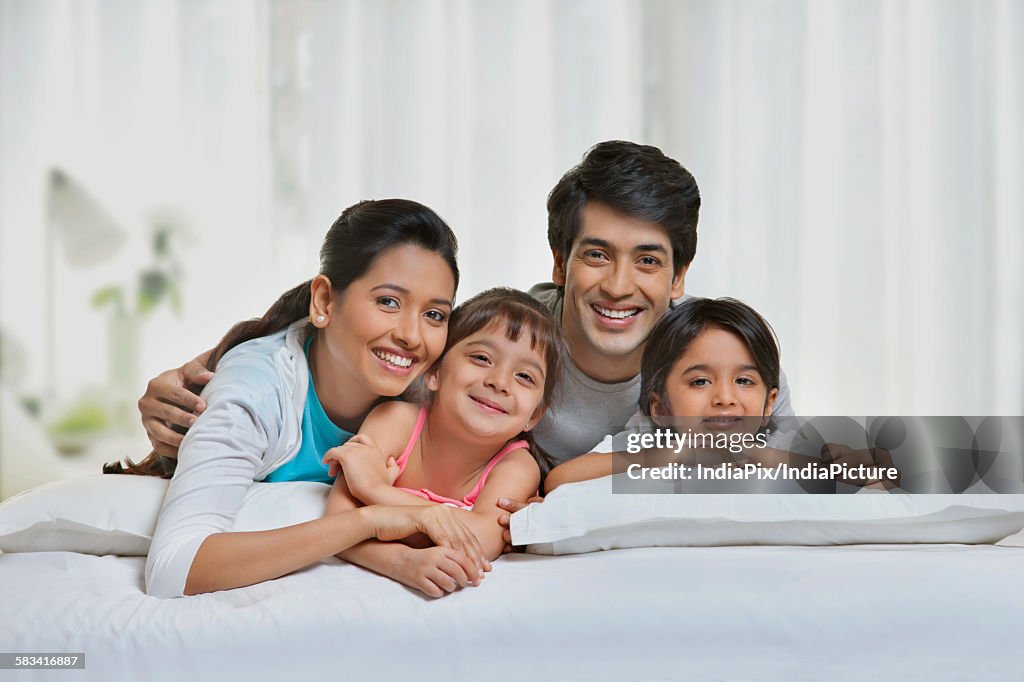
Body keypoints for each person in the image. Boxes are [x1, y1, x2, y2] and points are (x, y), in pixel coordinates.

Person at [118, 199, 494, 598]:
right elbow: (174, 569)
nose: (412, 336)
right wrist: (370, 522)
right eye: (388, 302)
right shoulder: (255, 393)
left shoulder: (429, 386)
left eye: (434, 315)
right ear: (324, 302)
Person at [319, 288, 563, 588]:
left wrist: (373, 490)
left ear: (534, 415)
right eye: (482, 358)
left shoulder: (517, 465)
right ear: (434, 372)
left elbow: (482, 541)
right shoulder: (395, 420)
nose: (499, 382)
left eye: (524, 376)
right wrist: (400, 562)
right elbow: (336, 523)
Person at [543, 297, 780, 492]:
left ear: (768, 404)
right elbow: (560, 480)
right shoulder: (648, 440)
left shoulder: (771, 445)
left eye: (743, 381)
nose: (725, 398)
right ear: (661, 408)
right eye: (700, 381)